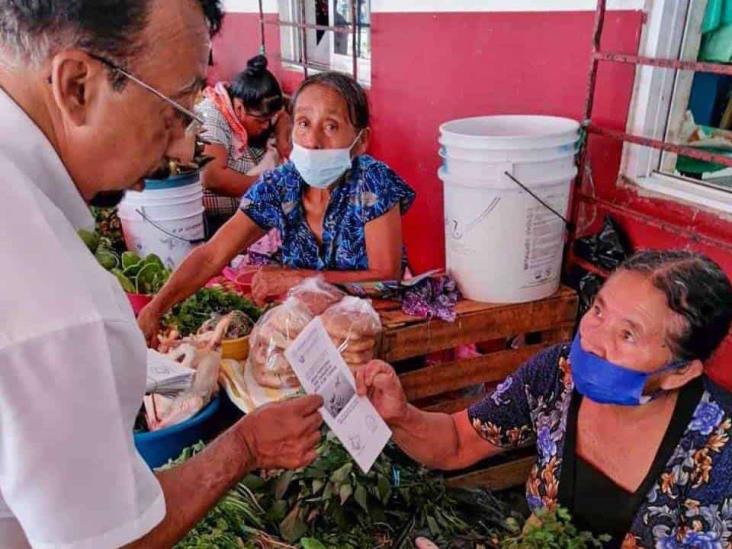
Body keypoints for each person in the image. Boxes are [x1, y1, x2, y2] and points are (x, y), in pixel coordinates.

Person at [0, 2, 323, 548]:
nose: (180, 148)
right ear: (77, 85)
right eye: (174, 110)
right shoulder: (57, 305)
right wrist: (242, 447)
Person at [355, 250, 732, 548]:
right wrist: (401, 416)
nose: (593, 340)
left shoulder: (719, 452)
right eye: (598, 310)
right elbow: (457, 442)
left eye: (627, 335)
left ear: (680, 372)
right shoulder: (558, 375)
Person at [138, 71, 415, 338]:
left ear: (361, 140)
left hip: (374, 331)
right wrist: (155, 309)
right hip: (306, 332)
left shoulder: (373, 183)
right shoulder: (280, 186)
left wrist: (299, 278)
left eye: (331, 126)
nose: (313, 141)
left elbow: (386, 278)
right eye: (304, 123)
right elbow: (212, 255)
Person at [197, 54, 291, 238]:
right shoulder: (212, 116)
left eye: (268, 120)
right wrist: (269, 187)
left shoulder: (255, 109)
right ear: (239, 108)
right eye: (261, 121)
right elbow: (212, 177)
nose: (266, 126)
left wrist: (282, 142)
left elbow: (282, 115)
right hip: (215, 221)